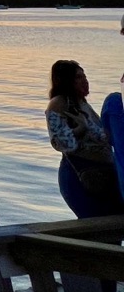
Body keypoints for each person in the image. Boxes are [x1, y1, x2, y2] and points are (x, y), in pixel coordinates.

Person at [45, 60, 124, 218]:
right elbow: (63, 143)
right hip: (81, 177)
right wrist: (80, 129)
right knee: (97, 224)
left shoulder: (82, 104)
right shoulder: (57, 104)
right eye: (78, 77)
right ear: (67, 81)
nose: (85, 81)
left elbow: (102, 137)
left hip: (105, 176)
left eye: (84, 76)